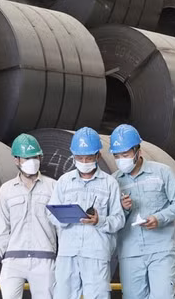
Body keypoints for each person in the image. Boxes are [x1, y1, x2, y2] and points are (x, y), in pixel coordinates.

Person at [110, 124, 175, 299]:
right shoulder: (114, 181)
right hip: (130, 252)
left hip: (160, 249)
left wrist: (159, 218)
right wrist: (123, 209)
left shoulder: (162, 172)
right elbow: (112, 219)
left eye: (125, 154)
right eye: (117, 156)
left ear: (138, 151)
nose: (121, 159)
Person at [47, 127, 124, 299]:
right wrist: (65, 217)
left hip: (96, 254)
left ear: (98, 156)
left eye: (88, 158)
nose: (84, 161)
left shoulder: (110, 184)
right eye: (79, 158)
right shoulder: (64, 182)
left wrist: (99, 220)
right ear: (73, 156)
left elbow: (119, 220)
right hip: (68, 252)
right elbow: (51, 214)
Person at [0, 133, 57, 299]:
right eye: (26, 158)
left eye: (35, 157)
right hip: (13, 259)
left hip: (44, 259)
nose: (31, 162)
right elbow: (2, 226)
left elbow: (61, 226)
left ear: (40, 157)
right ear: (16, 160)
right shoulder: (6, 190)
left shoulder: (53, 187)